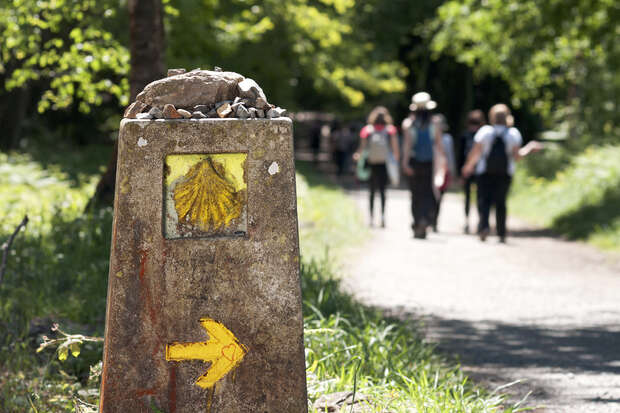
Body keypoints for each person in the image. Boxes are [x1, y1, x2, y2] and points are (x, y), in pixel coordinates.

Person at [462, 104, 543, 242]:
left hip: (484, 172)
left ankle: (484, 227)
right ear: (507, 117)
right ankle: (501, 232)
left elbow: (475, 153)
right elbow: (517, 157)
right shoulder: (513, 133)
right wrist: (529, 148)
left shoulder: (485, 131)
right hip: (505, 173)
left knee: (484, 201)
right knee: (501, 202)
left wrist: (468, 167)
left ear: (492, 117)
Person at [401, 92, 446, 239]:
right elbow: (439, 146)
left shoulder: (408, 124)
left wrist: (405, 163)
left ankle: (417, 221)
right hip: (429, 163)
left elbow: (407, 146)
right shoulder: (435, 124)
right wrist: (442, 164)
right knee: (427, 192)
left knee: (415, 194)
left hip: (414, 162)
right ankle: (425, 220)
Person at [355, 106, 399, 228]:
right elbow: (395, 150)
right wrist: (396, 163)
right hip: (384, 165)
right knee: (383, 191)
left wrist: (358, 157)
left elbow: (362, 148)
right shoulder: (390, 130)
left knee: (372, 192)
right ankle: (383, 217)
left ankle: (371, 218)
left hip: (371, 163)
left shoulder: (367, 130)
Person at [458, 110, 486, 234]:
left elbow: (460, 155)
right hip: (480, 170)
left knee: (468, 197)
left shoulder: (466, 135)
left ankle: (468, 221)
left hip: (468, 170)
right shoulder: (483, 135)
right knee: (481, 197)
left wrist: (461, 171)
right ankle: (480, 222)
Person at [432, 114, 456, 232]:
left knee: (438, 198)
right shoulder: (444, 139)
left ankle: (434, 221)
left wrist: (450, 171)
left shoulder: (446, 139)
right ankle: (431, 220)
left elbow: (450, 157)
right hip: (434, 170)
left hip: (441, 171)